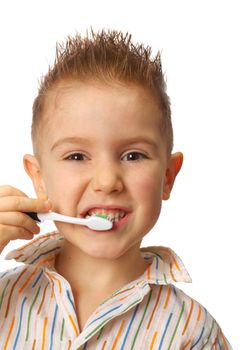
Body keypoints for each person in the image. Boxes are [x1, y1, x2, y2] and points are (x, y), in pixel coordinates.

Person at [0, 28, 232, 349]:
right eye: (77, 156)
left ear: (167, 176)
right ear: (39, 178)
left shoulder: (191, 332)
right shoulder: (4, 298)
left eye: (133, 155)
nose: (107, 181)